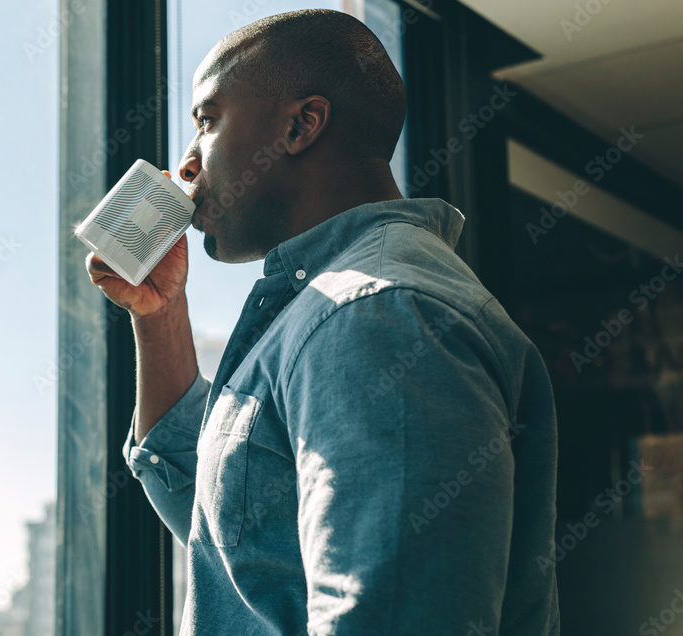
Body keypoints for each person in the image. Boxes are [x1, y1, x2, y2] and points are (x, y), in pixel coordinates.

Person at [85, 8, 559, 635]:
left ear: (301, 125)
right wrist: (160, 315)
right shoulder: (334, 309)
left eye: (207, 120)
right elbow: (230, 534)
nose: (189, 162)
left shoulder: (375, 314)